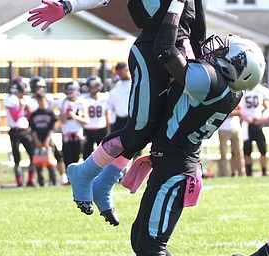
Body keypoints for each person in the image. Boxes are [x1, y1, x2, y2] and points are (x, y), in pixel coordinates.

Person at [28, 0, 206, 224]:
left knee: (154, 131)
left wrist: (202, 61)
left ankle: (103, 182)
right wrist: (68, 5)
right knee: (139, 129)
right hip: (153, 49)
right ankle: (84, 174)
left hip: (181, 51)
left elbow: (197, 22)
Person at [129, 5, 265, 253]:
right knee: (141, 240)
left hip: (175, 169)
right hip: (173, 164)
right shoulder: (227, 89)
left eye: (225, 51)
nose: (218, 50)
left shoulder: (210, 82)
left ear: (235, 67)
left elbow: (165, 50)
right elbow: (198, 42)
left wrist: (175, 6)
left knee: (150, 246)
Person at [30, 76, 69, 185]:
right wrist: (36, 139)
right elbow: (32, 127)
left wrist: (48, 137)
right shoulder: (33, 109)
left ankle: (58, 179)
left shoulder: (49, 110)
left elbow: (54, 124)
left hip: (48, 137)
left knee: (54, 157)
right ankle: (40, 180)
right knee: (38, 159)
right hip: (38, 137)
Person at [2, 76, 37, 187]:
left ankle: (31, 180)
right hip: (15, 132)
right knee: (17, 158)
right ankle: (19, 182)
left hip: (26, 130)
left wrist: (28, 109)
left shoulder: (26, 99)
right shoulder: (10, 99)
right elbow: (16, 117)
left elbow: (30, 116)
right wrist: (22, 108)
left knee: (33, 155)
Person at [240, 83, 269, 176]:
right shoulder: (242, 90)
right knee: (247, 150)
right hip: (246, 125)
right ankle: (249, 172)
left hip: (257, 124)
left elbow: (268, 107)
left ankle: (264, 171)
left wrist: (262, 118)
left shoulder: (261, 90)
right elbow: (237, 107)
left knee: (262, 149)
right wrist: (244, 118)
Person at [29, 86, 58, 187]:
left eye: (42, 99)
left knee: (50, 161)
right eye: (38, 100)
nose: (40, 101)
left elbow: (52, 127)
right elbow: (33, 129)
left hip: (47, 140)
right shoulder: (34, 114)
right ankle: (41, 182)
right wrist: (36, 140)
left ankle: (53, 181)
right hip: (38, 140)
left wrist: (47, 139)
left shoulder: (50, 113)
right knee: (38, 162)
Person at [56, 80, 89, 170]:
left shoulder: (82, 102)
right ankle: (68, 178)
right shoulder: (63, 102)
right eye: (69, 90)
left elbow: (86, 121)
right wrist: (67, 113)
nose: (70, 93)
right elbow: (62, 120)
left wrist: (74, 116)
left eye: (72, 90)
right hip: (66, 134)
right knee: (66, 158)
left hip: (78, 134)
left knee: (77, 158)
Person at [81, 76, 111, 160]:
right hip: (88, 129)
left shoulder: (105, 97)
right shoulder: (83, 98)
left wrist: (108, 132)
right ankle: (88, 172)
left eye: (95, 87)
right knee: (86, 155)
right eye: (91, 87)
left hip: (101, 129)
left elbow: (107, 115)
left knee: (102, 155)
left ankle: (101, 172)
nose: (93, 89)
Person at [218, 105, 245, 177]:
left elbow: (241, 112)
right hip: (223, 129)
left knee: (239, 153)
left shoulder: (236, 100)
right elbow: (221, 113)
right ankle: (224, 174)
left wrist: (230, 113)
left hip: (236, 128)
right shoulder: (222, 99)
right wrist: (234, 113)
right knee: (223, 154)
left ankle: (242, 173)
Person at [109, 62, 131, 132]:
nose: (120, 75)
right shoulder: (117, 85)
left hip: (131, 118)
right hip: (119, 120)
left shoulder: (134, 83)